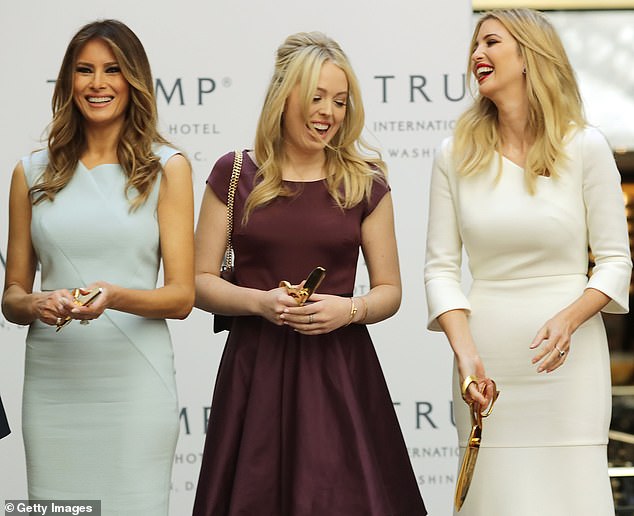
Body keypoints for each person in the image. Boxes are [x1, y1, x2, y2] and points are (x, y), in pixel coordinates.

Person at [192, 31, 426, 516]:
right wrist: (259, 302)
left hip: (341, 374)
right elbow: (198, 282)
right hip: (255, 372)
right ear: (284, 96)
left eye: (339, 101)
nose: (329, 112)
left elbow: (390, 291)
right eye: (316, 97)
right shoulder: (233, 172)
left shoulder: (365, 182)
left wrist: (349, 309)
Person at [424, 8, 631, 516]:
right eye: (474, 46)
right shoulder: (454, 154)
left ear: (529, 56)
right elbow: (440, 269)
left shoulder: (585, 147)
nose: (477, 55)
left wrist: (569, 318)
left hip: (571, 366)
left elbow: (614, 261)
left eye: (491, 42)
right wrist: (465, 354)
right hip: (486, 365)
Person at [1, 20, 194, 515]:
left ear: (134, 81)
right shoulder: (30, 173)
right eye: (84, 70)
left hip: (134, 386)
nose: (97, 83)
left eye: (112, 70)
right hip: (53, 387)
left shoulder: (166, 168)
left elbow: (181, 297)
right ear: (68, 82)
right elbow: (12, 296)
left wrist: (117, 295)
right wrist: (37, 301)